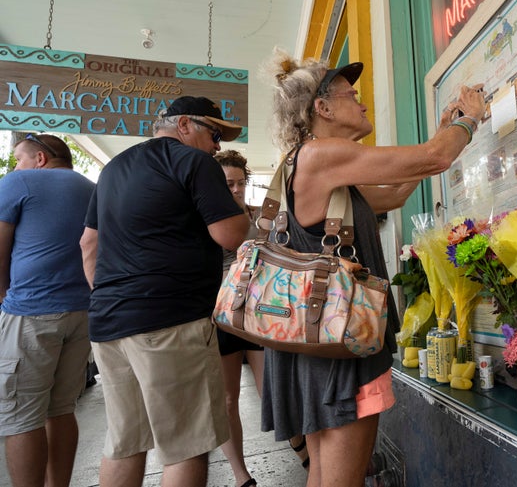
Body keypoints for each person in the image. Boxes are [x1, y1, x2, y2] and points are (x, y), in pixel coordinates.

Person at [259, 48, 486, 487]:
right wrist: (469, 118)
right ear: (322, 108)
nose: (362, 103)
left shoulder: (317, 168)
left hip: (319, 344)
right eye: (352, 95)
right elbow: (437, 157)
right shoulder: (322, 155)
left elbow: (396, 194)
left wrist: (442, 133)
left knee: (326, 475)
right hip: (339, 347)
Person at [79, 96, 249, 487]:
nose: (218, 145)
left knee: (125, 442)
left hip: (109, 323)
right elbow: (230, 235)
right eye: (215, 133)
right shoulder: (194, 162)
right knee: (187, 444)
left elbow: (89, 245)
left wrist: (112, 296)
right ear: (185, 125)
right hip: (171, 322)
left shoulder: (114, 168)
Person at [0, 134, 95, 487]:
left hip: (30, 311)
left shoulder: (20, 182)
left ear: (39, 158)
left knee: (21, 416)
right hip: (82, 312)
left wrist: (3, 295)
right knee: (61, 409)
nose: (15, 167)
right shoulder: (92, 187)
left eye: (19, 159)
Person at [214, 150, 309, 487]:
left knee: (273, 386)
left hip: (258, 313)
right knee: (226, 399)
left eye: (241, 182)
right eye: (228, 183)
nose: (236, 189)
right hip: (222, 315)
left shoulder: (258, 216)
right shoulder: (207, 220)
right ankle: (241, 475)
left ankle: (300, 447)